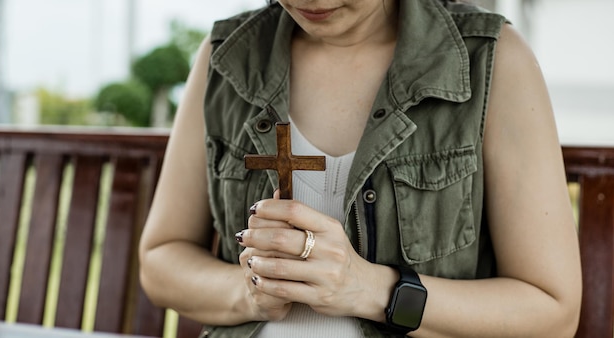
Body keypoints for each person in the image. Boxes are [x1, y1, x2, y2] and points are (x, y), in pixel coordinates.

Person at [139, 0, 582, 337]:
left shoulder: (491, 61)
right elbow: (160, 260)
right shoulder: (227, 57)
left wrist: (372, 290)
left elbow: (552, 310)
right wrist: (249, 291)